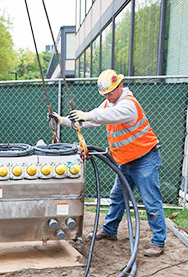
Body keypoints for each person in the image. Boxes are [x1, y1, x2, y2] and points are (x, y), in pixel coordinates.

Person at [49, 69, 166, 257]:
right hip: (126, 161)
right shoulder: (110, 103)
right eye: (105, 94)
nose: (108, 97)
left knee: (151, 201)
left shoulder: (128, 105)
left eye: (111, 93)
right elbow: (91, 120)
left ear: (120, 85)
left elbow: (104, 116)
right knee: (117, 196)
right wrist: (62, 120)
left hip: (144, 158)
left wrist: (88, 115)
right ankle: (110, 231)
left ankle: (158, 242)